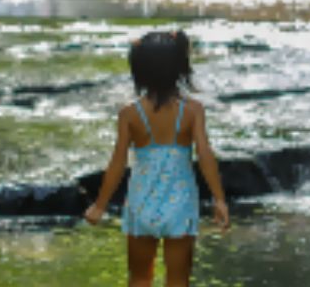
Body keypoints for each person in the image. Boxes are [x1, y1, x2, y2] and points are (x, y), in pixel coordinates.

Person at [84, 30, 232, 287]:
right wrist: (219, 199)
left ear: (139, 71)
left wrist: (100, 205)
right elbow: (205, 154)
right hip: (181, 204)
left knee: (140, 278)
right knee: (178, 280)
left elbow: (117, 163)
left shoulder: (130, 114)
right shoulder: (192, 111)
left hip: (142, 203)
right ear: (179, 68)